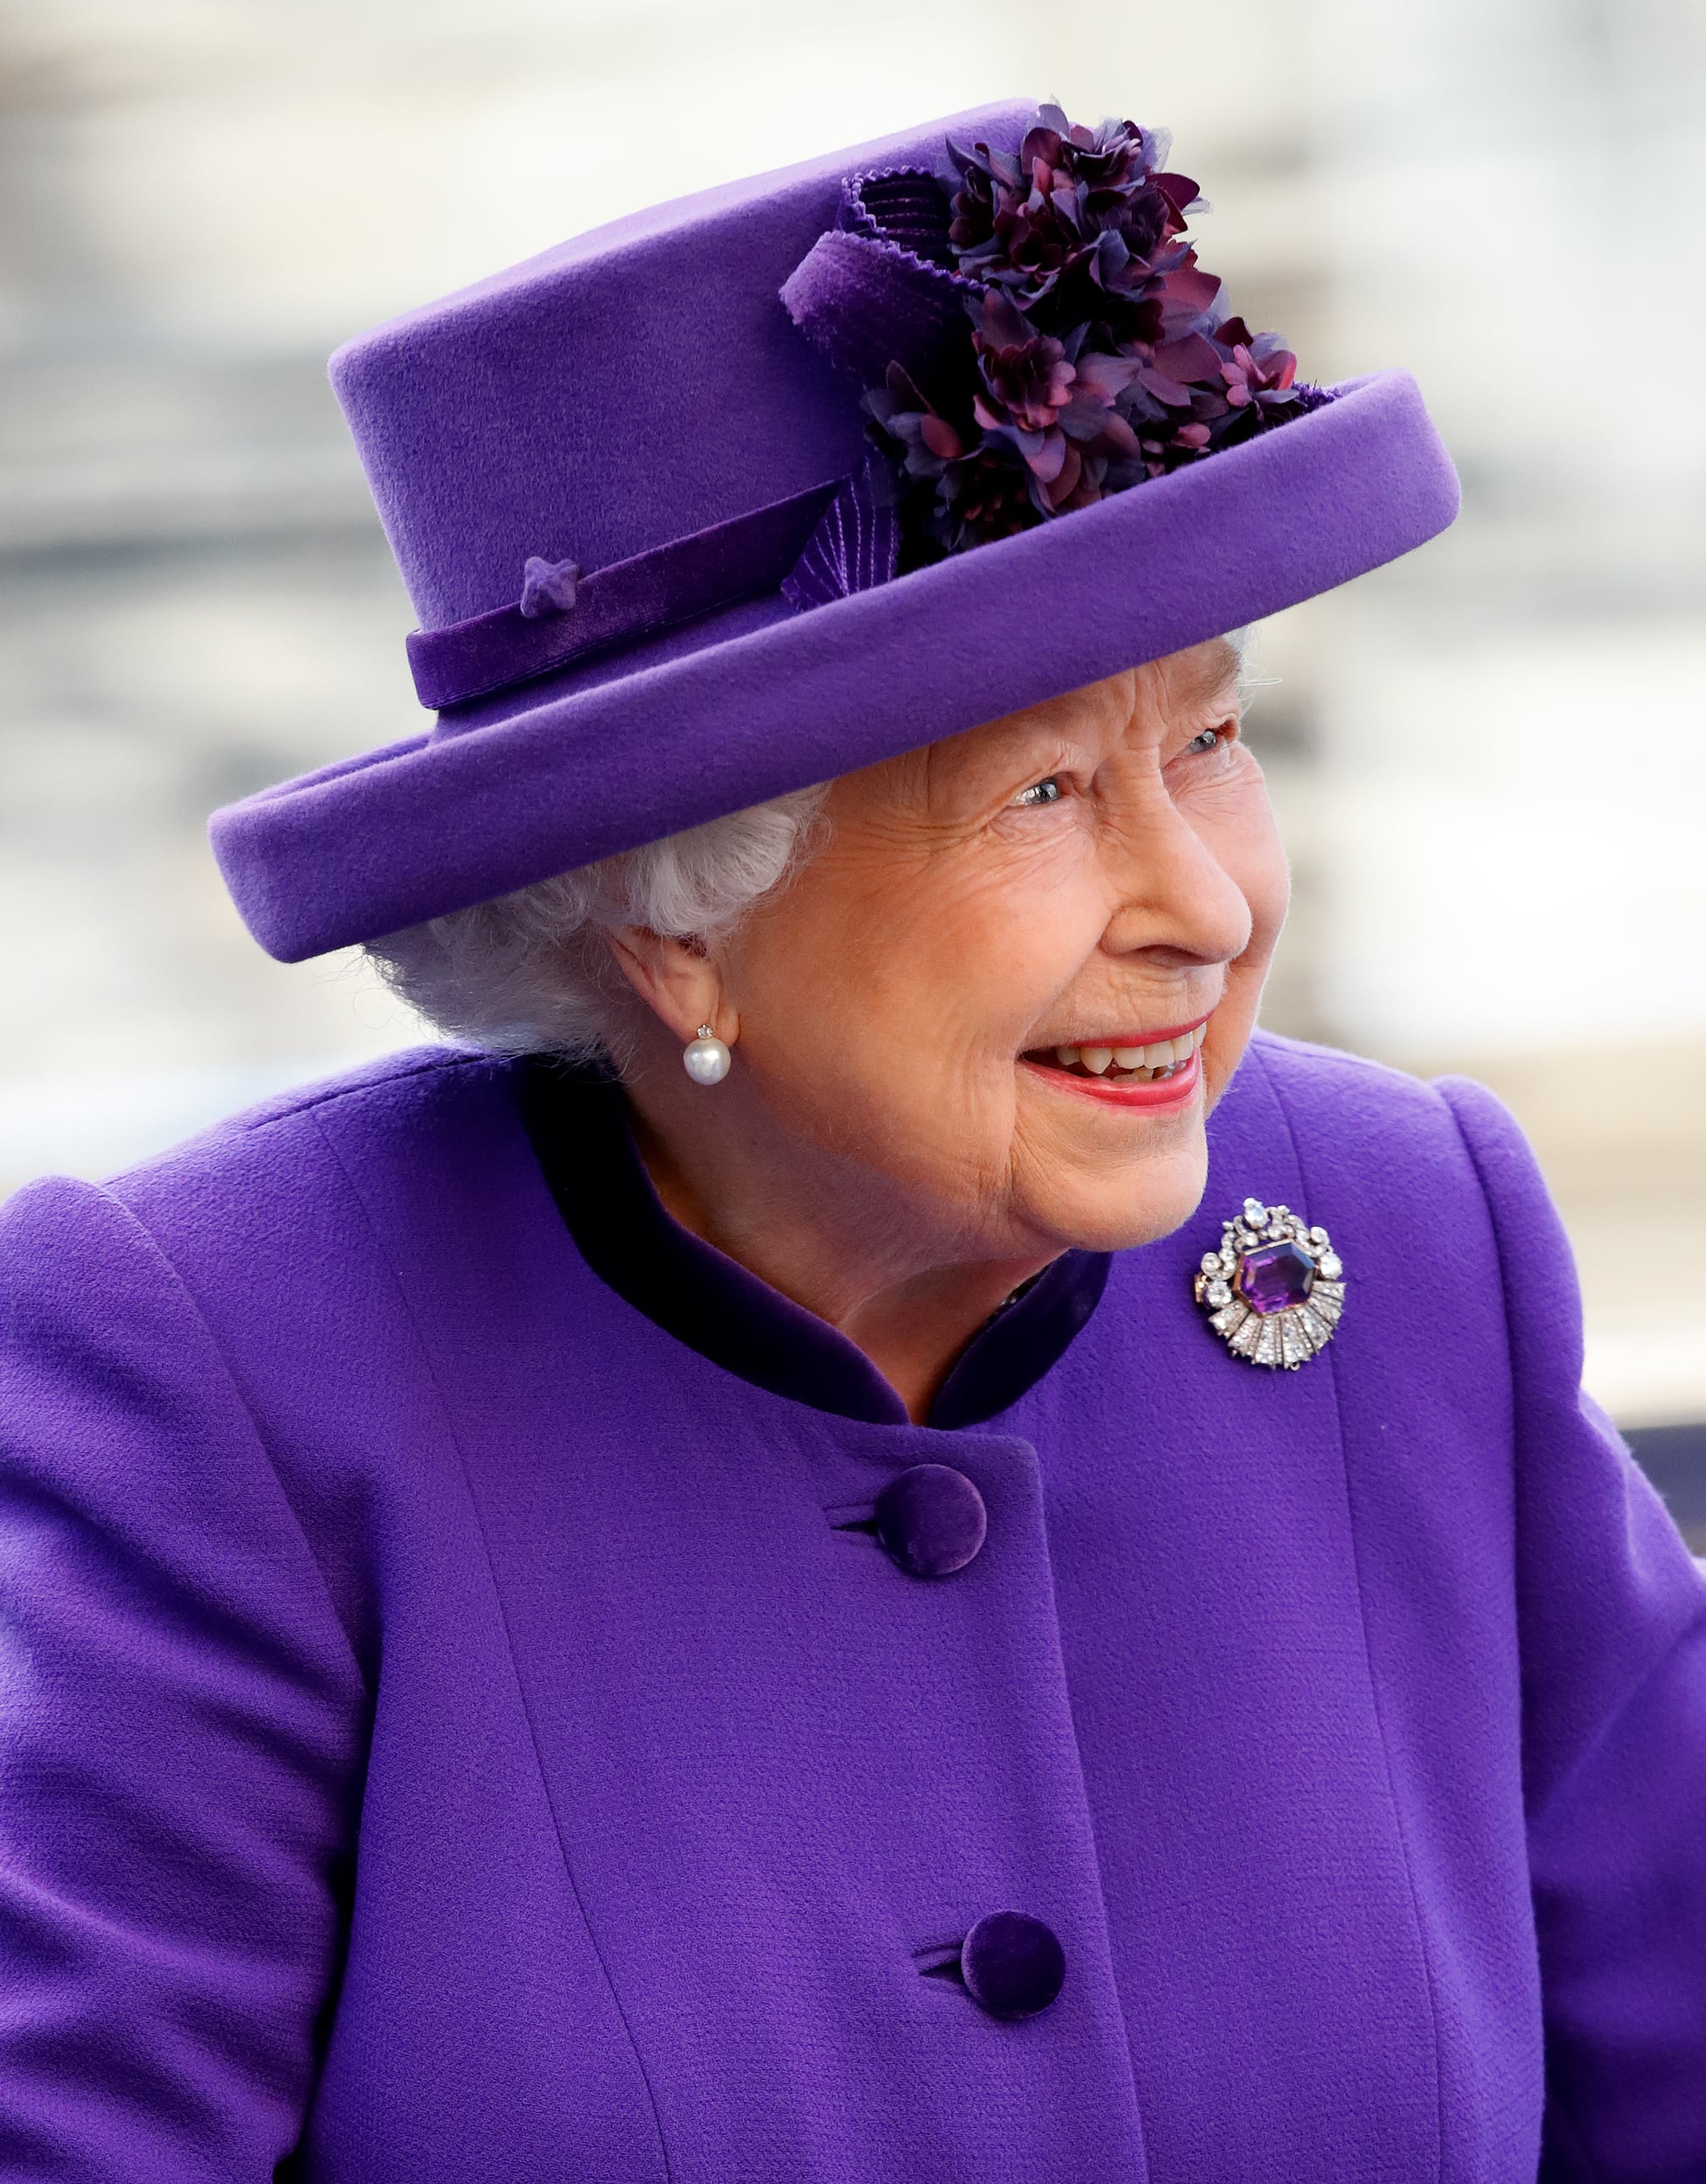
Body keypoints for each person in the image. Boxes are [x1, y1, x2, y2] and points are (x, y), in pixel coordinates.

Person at [1, 98, 1701, 2184]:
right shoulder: (231, 1366)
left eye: (1210, 734)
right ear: (674, 926)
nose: (1215, 902)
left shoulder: (1407, 1230)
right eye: (1043, 797)